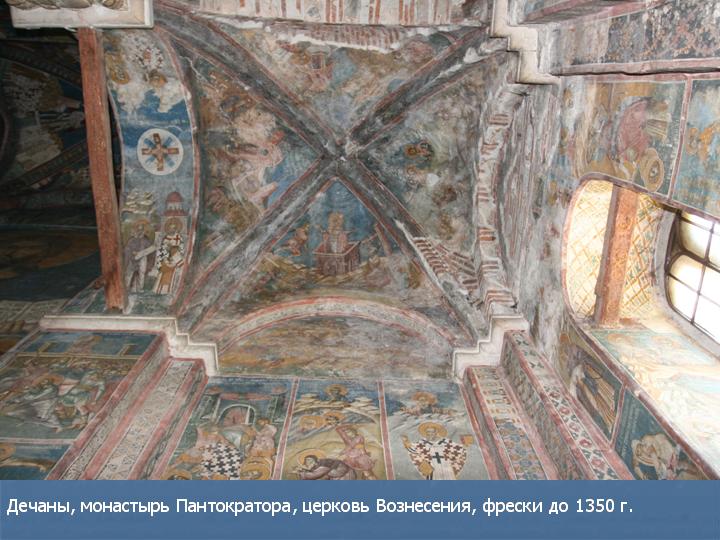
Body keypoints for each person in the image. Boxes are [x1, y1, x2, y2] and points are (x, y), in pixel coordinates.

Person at [402, 422, 468, 480]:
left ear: (436, 432)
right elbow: (414, 449)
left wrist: (464, 444)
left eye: (432, 432)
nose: (430, 434)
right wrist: (406, 442)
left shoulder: (445, 441)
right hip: (432, 465)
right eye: (428, 432)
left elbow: (457, 448)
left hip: (446, 464)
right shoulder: (422, 442)